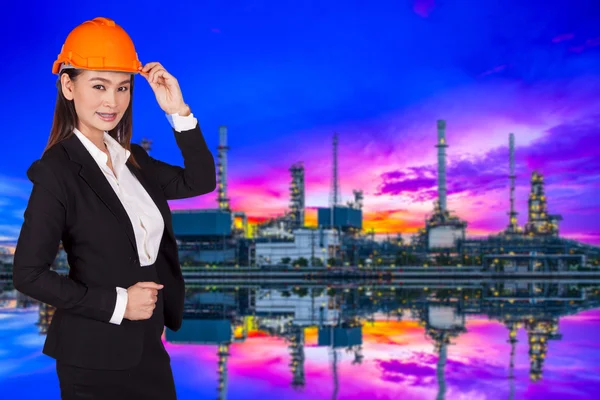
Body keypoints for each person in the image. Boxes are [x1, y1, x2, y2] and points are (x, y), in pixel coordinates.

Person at [12, 17, 216, 399]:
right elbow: (28, 274)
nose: (113, 101)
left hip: (149, 348)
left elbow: (200, 181)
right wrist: (120, 303)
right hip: (91, 358)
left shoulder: (133, 160)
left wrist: (178, 111)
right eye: (99, 86)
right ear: (68, 86)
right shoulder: (57, 171)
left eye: (123, 88)